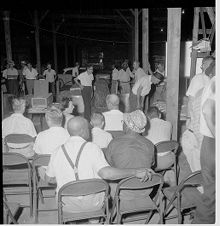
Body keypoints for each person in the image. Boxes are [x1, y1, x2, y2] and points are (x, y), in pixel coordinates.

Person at [45, 116, 152, 214]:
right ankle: (95, 221)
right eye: (88, 128)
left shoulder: (56, 151)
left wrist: (67, 179)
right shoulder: (93, 148)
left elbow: (49, 179)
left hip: (66, 204)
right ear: (82, 131)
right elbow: (106, 173)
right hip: (93, 203)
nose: (90, 131)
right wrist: (135, 171)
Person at [105, 109, 155, 199]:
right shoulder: (150, 144)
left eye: (123, 122)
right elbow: (151, 164)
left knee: (106, 177)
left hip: (122, 190)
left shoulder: (114, 143)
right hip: (146, 188)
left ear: (128, 126)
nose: (122, 124)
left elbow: (109, 166)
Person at [193, 60, 215, 224]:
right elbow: (206, 110)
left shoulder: (211, 81)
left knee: (210, 191)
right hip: (212, 139)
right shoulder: (206, 81)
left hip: (208, 139)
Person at [186, 56, 215, 127]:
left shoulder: (213, 79)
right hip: (198, 120)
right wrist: (190, 118)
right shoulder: (198, 78)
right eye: (211, 64)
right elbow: (191, 100)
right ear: (203, 65)